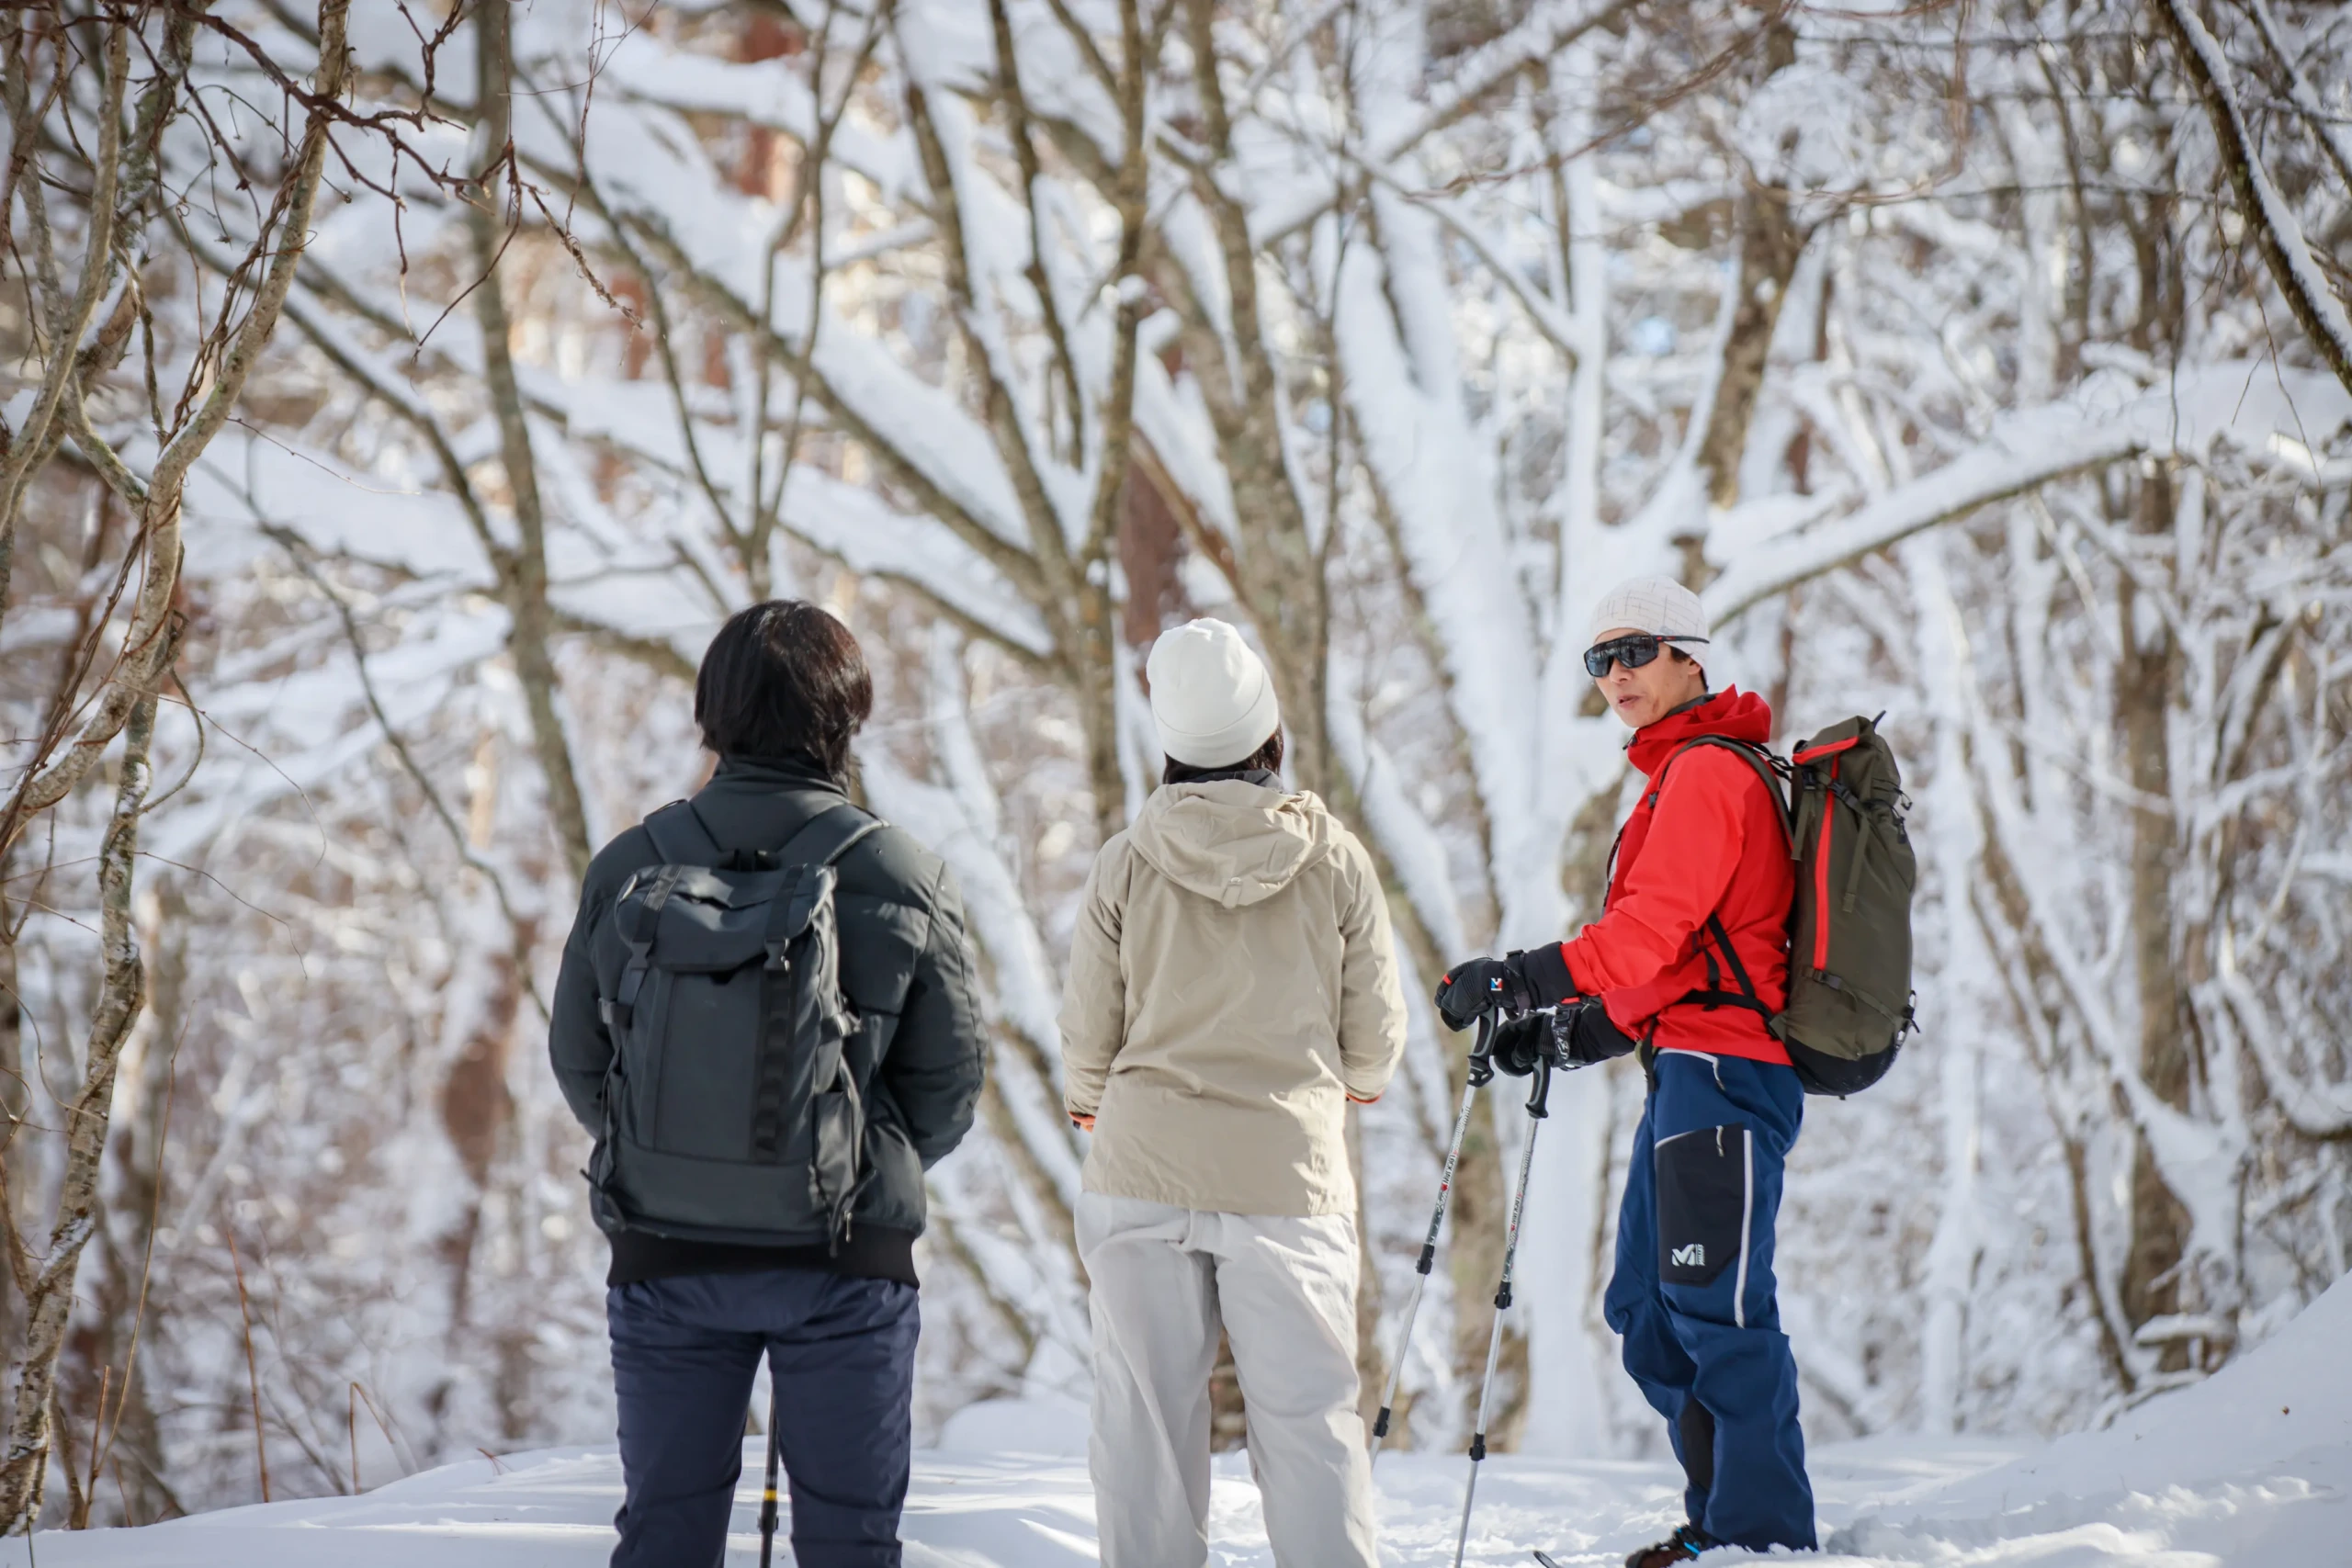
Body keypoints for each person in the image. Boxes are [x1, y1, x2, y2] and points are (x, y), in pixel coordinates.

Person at [548, 601, 987, 1568]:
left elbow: (582, 1062)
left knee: (664, 1533)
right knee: (850, 1544)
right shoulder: (900, 873)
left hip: (665, 1251)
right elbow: (948, 1087)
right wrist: (845, 1155)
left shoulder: (633, 864)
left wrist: (677, 1155)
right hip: (843, 1257)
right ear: (847, 715)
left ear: (713, 714)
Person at [1434, 577, 1815, 1566]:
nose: (1615, 677)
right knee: (1645, 1310)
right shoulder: (1679, 776)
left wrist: (1519, 981)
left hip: (1727, 1075)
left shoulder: (1707, 776)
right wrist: (1577, 1034)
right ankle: (1718, 1527)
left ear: (1691, 654)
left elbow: (1644, 937)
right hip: (1685, 1066)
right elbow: (1686, 956)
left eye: (1635, 652)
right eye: (1599, 661)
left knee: (1716, 1311)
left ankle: (1760, 1540)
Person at [1059, 618, 1408, 1568]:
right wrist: (1357, 1086)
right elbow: (1375, 1040)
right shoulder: (1333, 857)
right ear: (1268, 735)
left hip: (1141, 1168)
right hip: (1287, 1177)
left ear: (1171, 745)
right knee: (1307, 1423)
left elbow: (1088, 1037)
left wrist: (1093, 1103)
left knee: (1145, 1431)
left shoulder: (1125, 861)